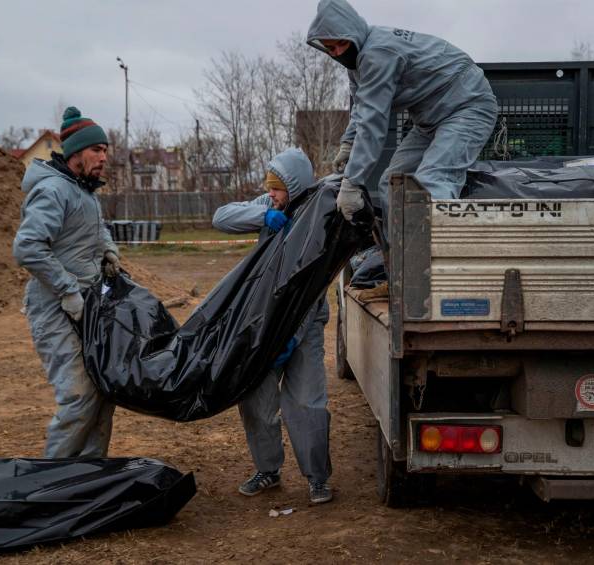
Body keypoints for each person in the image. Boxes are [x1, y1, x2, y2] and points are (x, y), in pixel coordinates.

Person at [212, 148, 333, 504]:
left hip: (303, 325)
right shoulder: (271, 204)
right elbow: (221, 217)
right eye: (271, 188)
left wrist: (292, 338)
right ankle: (268, 470)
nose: (274, 195)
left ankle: (317, 478)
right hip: (264, 323)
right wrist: (263, 215)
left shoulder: (318, 215)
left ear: (295, 186)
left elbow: (313, 288)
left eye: (278, 190)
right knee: (255, 402)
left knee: (307, 402)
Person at [307, 0, 498, 223]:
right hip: (430, 121)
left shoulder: (378, 53)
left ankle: (433, 257)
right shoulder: (357, 64)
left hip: (468, 106)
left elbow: (373, 122)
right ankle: (397, 255)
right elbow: (362, 105)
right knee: (392, 183)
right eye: (331, 48)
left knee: (433, 181)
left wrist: (352, 182)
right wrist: (349, 142)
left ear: (353, 32)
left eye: (341, 43)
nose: (338, 52)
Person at [13, 106, 122, 458]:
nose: (104, 157)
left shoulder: (85, 192)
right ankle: (50, 488)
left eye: (105, 150)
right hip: (54, 308)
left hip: (85, 306)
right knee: (79, 396)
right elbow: (27, 247)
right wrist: (67, 289)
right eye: (97, 150)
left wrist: (109, 251)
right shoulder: (53, 191)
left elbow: (97, 229)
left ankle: (87, 482)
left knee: (104, 393)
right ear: (76, 153)